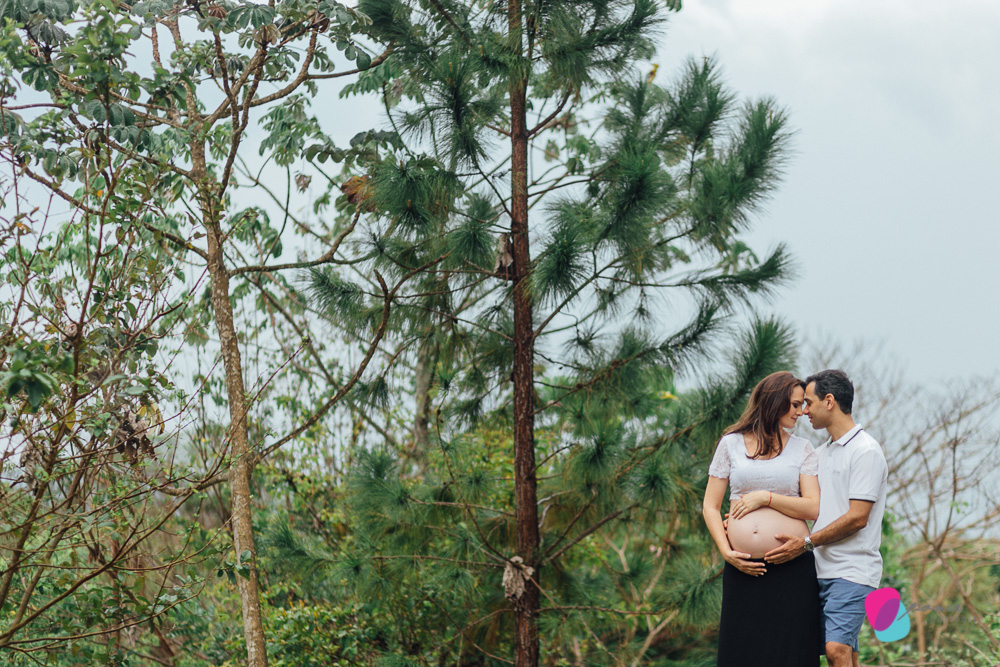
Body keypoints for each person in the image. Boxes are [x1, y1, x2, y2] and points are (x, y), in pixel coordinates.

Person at [764, 369, 889, 667]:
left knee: (835, 650)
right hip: (817, 570)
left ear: (829, 401)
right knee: (844, 653)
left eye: (808, 402)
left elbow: (858, 517)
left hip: (853, 570)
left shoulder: (866, 451)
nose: (804, 410)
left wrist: (806, 543)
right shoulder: (820, 453)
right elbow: (796, 502)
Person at [703, 371, 822, 667]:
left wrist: (765, 497)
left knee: (789, 653)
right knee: (742, 652)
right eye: (794, 405)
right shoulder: (730, 444)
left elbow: (813, 508)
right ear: (774, 402)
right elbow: (709, 505)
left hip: (792, 568)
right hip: (743, 568)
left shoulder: (802, 449)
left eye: (802, 405)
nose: (800, 411)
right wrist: (726, 552)